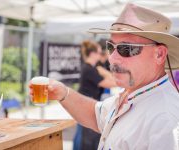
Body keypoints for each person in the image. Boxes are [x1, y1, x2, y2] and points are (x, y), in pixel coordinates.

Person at [30, 3, 179, 150]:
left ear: (159, 54)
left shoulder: (167, 120)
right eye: (110, 47)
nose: (112, 58)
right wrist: (63, 93)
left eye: (126, 48)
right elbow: (96, 115)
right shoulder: (135, 93)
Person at [73, 40, 115, 150]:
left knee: (83, 135)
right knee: (85, 138)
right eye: (99, 53)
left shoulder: (91, 68)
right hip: (85, 106)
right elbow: (110, 83)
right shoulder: (89, 69)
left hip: (85, 104)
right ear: (92, 54)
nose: (101, 56)